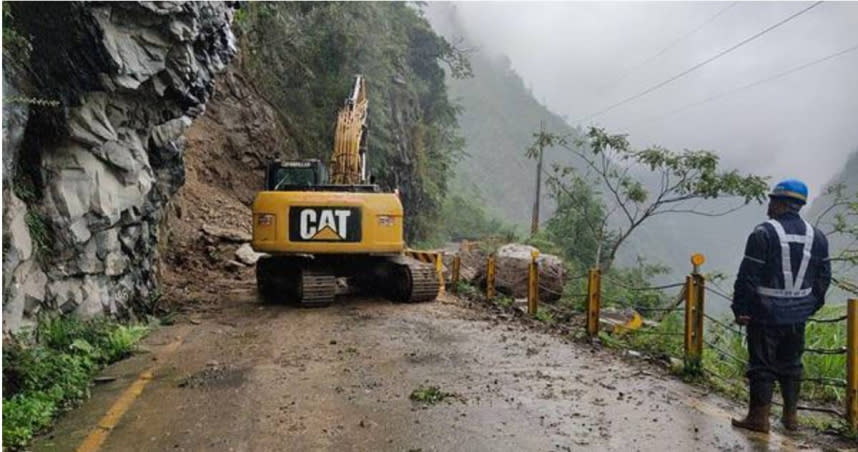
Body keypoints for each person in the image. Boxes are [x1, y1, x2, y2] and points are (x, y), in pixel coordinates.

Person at [730, 179, 831, 433]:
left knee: (762, 365)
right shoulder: (818, 237)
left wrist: (741, 309)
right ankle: (790, 419)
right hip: (797, 316)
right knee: (792, 365)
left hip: (765, 314)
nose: (769, 205)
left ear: (782, 203)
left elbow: (748, 276)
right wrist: (810, 306)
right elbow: (823, 278)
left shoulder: (762, 233)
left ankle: (758, 419)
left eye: (772, 200)